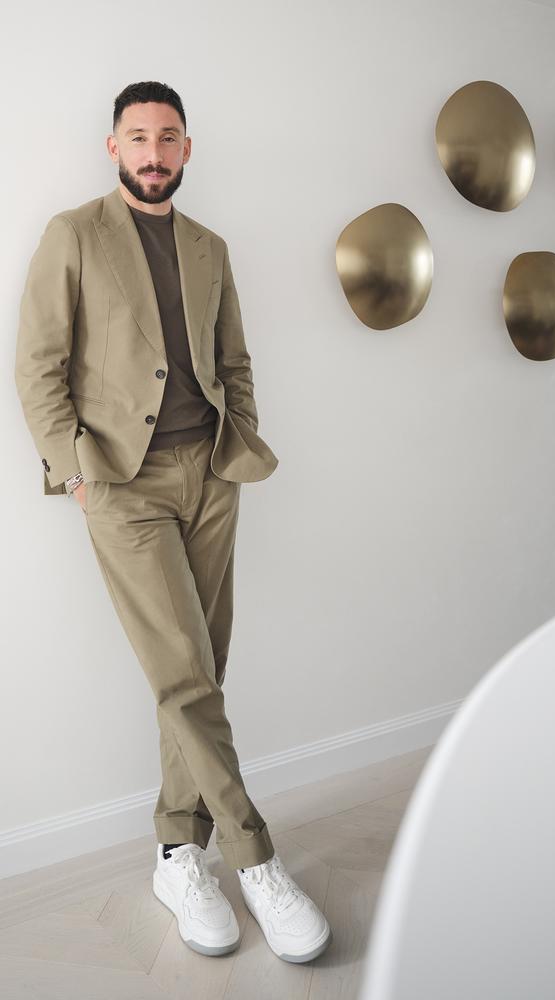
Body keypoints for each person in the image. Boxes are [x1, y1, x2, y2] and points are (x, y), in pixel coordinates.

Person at [14, 79, 331, 964]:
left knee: (198, 669)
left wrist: (241, 441)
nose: (154, 152)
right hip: (124, 486)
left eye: (169, 138)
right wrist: (76, 473)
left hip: (210, 475)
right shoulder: (73, 236)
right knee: (187, 676)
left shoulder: (210, 247)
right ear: (113, 148)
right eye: (139, 137)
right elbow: (36, 363)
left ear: (188, 149)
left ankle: (174, 851)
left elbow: (234, 357)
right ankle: (254, 857)